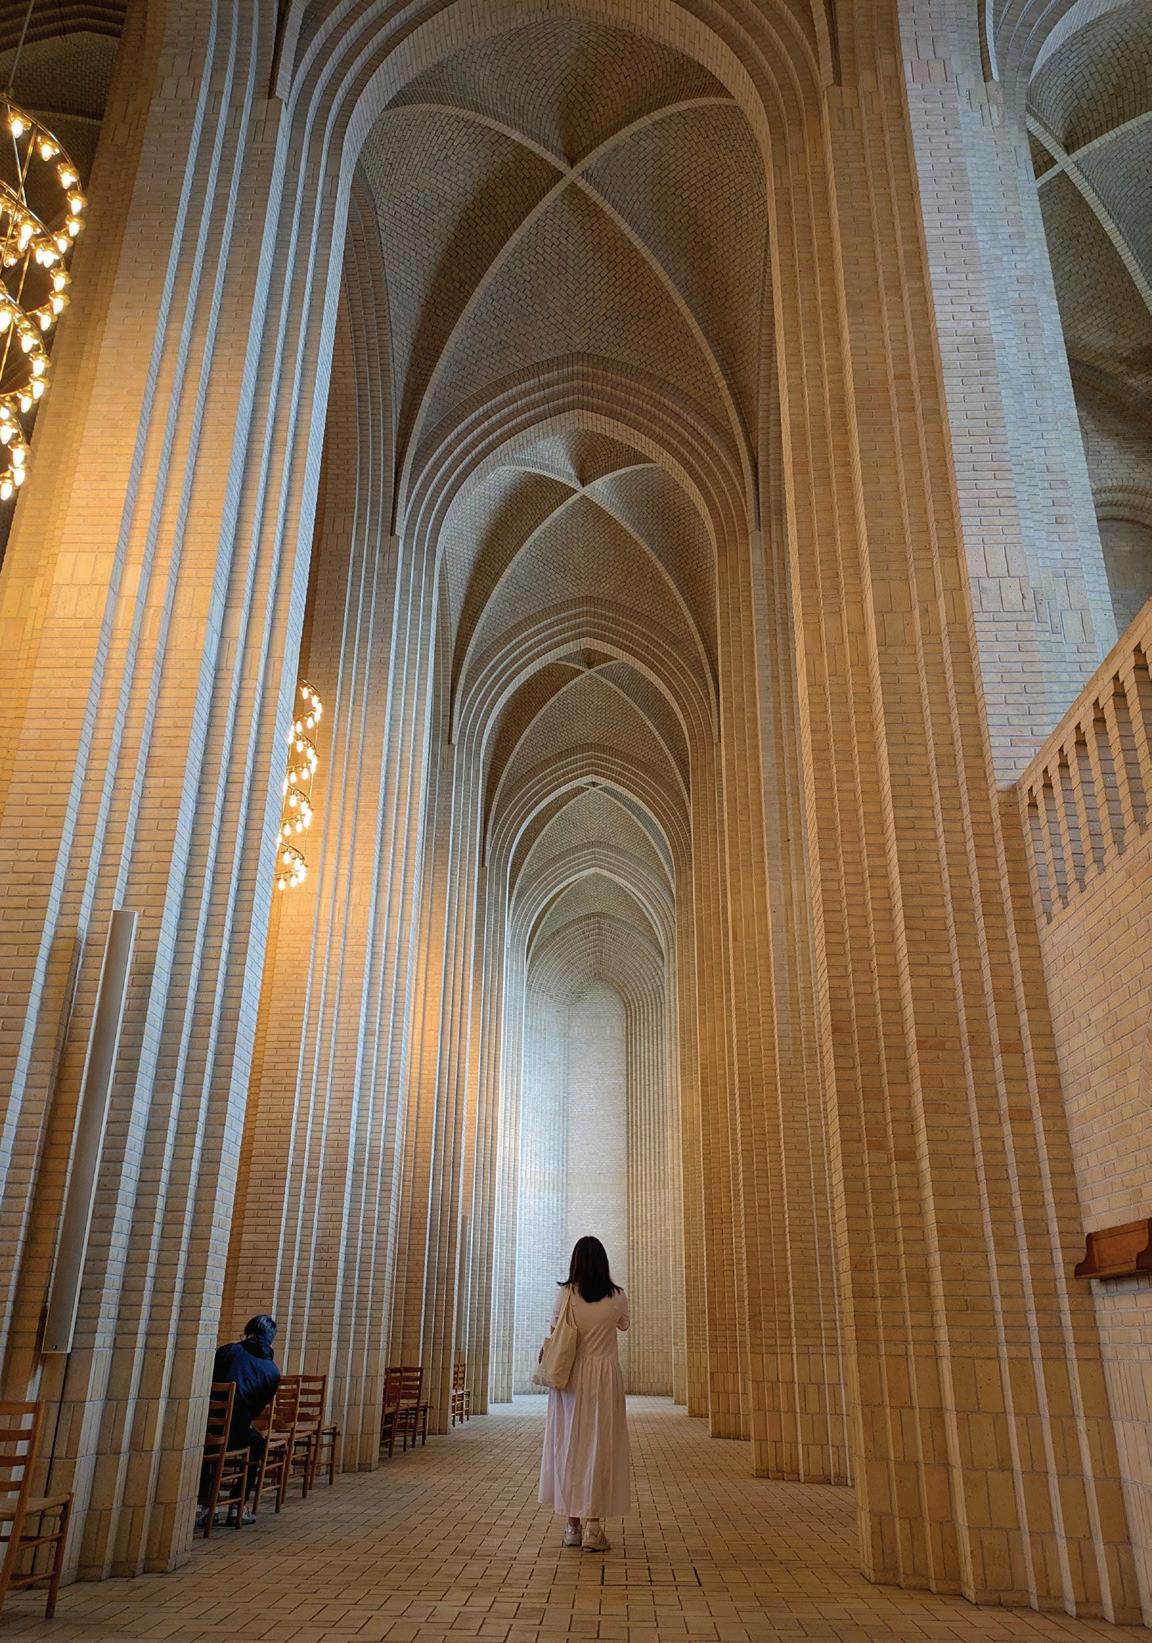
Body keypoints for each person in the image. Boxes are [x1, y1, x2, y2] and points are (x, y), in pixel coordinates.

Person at [538, 1236, 630, 1552]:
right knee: (601, 1447)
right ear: (604, 1262)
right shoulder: (617, 1296)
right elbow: (624, 1325)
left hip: (572, 1378)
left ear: (575, 1262)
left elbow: (554, 1332)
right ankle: (594, 1527)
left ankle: (572, 1527)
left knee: (569, 1446)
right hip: (605, 1378)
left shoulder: (566, 1294)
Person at [198, 1314, 280, 1525]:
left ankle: (207, 1504)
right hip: (238, 1435)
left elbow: (204, 1380)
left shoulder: (229, 1351)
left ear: (249, 1332)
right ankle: (238, 1505)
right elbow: (256, 1410)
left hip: (206, 1431)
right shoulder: (272, 1372)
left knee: (202, 1445)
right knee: (257, 1444)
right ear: (271, 1339)